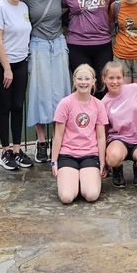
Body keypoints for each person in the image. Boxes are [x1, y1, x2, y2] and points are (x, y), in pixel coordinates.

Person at [23, 0, 71, 165]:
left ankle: (61, 141)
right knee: (39, 91)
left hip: (59, 43)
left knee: (62, 92)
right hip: (38, 43)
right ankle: (41, 142)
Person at [0, 0, 32, 173]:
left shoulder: (23, 7)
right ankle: (4, 151)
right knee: (4, 106)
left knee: (18, 106)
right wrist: (6, 68)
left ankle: (17, 150)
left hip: (21, 62)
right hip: (1, 64)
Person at [51, 64, 108, 204]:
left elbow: (101, 136)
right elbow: (58, 135)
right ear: (74, 81)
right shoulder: (65, 103)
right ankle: (73, 179)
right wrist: (54, 161)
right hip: (68, 154)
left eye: (87, 79)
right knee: (66, 197)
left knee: (91, 195)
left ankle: (83, 178)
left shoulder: (98, 105)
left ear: (94, 81)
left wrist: (102, 163)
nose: (83, 82)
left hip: (90, 154)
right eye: (80, 79)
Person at [62, 0, 115, 84]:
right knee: (83, 84)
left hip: (102, 44)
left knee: (103, 85)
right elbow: (60, 11)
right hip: (77, 44)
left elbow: (113, 11)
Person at [102, 61, 137, 187]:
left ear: (123, 77)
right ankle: (117, 168)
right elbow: (102, 132)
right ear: (104, 79)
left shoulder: (135, 89)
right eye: (111, 78)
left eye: (118, 77)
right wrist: (104, 162)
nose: (115, 81)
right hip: (118, 139)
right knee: (113, 158)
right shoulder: (103, 103)